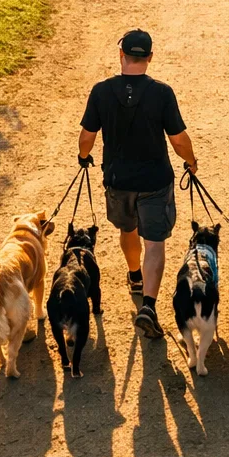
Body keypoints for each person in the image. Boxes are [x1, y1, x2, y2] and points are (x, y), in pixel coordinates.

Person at [78, 28, 199, 339]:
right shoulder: (162, 92)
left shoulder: (101, 91)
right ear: (149, 58)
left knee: (127, 229)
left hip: (118, 179)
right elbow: (178, 139)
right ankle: (148, 305)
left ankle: (134, 276)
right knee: (155, 243)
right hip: (155, 180)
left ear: (121, 55)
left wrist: (83, 157)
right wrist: (191, 161)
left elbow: (87, 136)